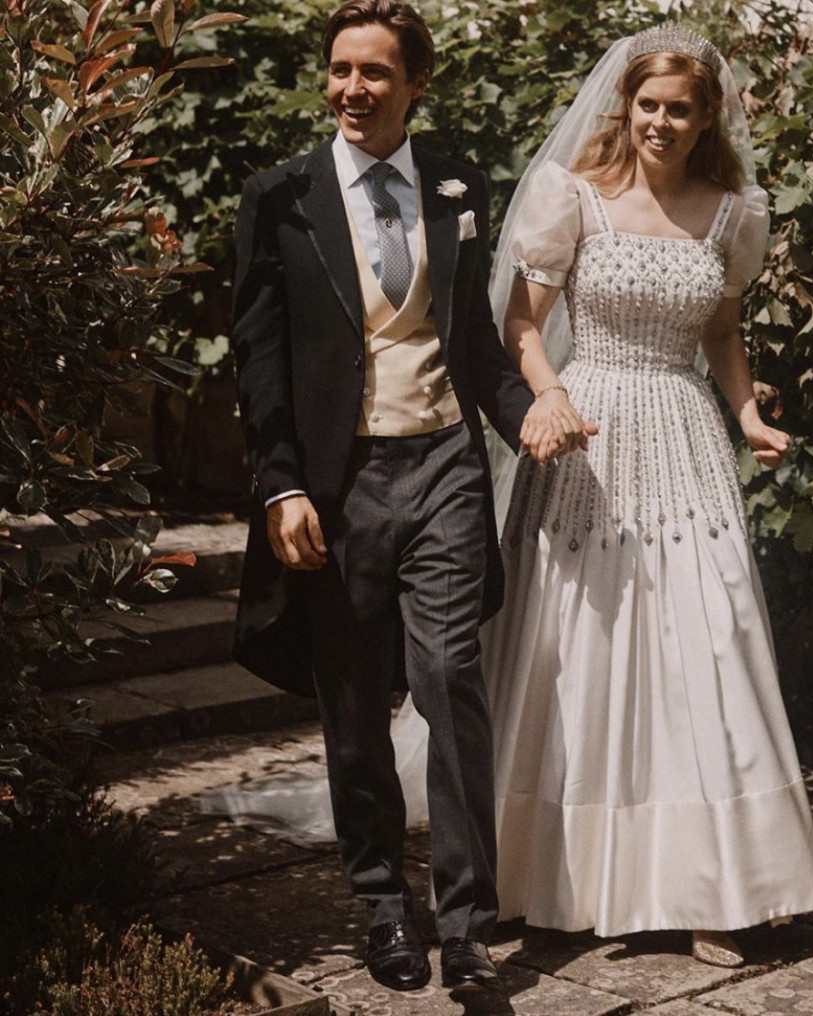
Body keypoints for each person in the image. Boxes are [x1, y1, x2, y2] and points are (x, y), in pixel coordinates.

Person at [480, 24, 813, 967]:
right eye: (648, 105)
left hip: (684, 432)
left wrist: (747, 415)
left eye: (680, 108)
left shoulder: (732, 214)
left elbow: (721, 332)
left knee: (707, 641)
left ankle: (717, 887)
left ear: (707, 115)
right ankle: (532, 874)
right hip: (587, 434)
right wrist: (549, 396)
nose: (661, 123)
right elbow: (522, 325)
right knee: (574, 648)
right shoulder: (572, 197)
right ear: (624, 107)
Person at [229, 0, 543, 994]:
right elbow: (258, 358)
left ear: (416, 83)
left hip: (445, 461)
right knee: (357, 701)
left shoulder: (458, 185)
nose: (351, 89)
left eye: (373, 72)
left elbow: (473, 339)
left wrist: (529, 415)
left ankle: (467, 925)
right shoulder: (279, 197)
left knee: (451, 678)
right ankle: (381, 905)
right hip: (340, 482)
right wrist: (281, 483)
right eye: (339, 70)